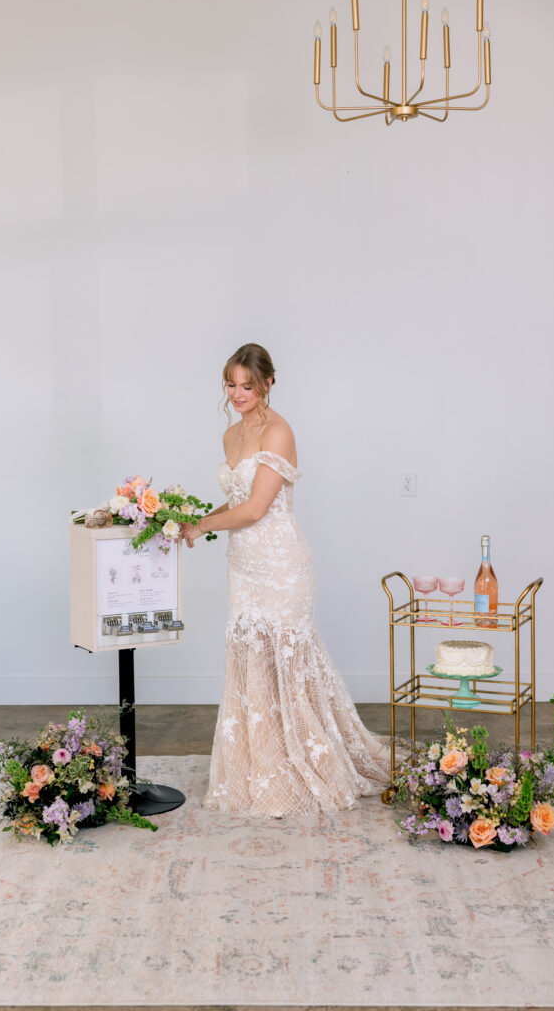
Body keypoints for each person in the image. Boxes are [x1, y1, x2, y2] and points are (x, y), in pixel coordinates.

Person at [179, 343, 390, 817]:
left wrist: (204, 526)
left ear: (268, 383)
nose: (238, 394)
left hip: (280, 564)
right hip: (243, 566)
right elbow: (238, 501)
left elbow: (256, 509)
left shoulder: (279, 431)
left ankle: (304, 767)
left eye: (247, 386)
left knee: (285, 661)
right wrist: (195, 522)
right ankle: (263, 769)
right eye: (231, 385)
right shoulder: (230, 435)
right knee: (251, 658)